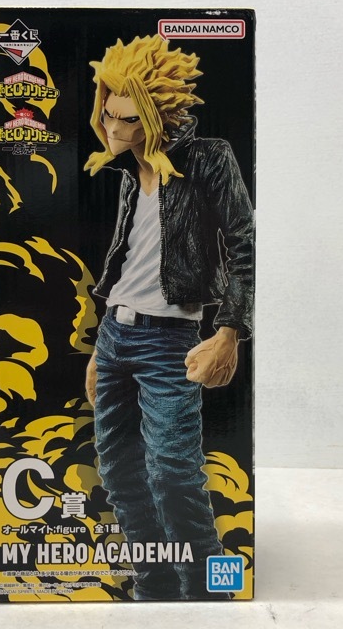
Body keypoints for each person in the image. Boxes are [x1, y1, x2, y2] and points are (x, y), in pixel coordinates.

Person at [84, 35, 254, 600]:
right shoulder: (130, 171)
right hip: (115, 334)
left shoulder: (208, 158)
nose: (114, 128)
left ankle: (209, 591)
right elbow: (127, 260)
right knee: (119, 472)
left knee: (173, 471)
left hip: (169, 341)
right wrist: (100, 345)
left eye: (129, 119)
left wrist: (229, 332)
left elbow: (245, 244)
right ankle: (154, 585)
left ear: (157, 116)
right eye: (109, 114)